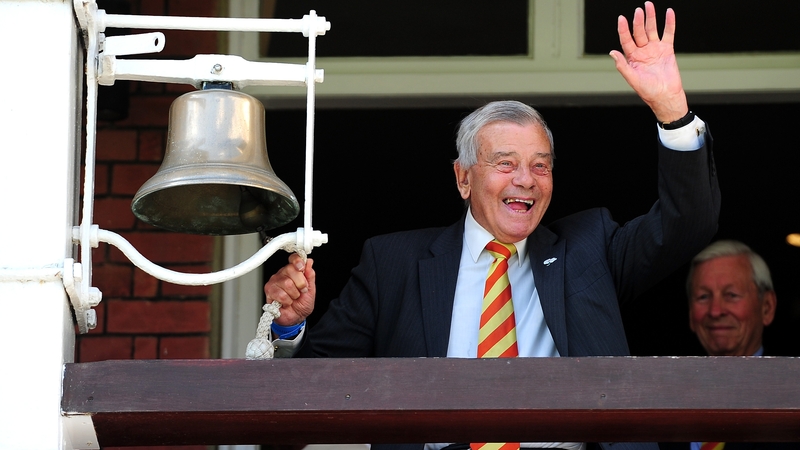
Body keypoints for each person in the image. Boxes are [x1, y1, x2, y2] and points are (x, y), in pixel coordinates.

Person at [265, 2, 720, 450]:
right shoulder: (393, 265)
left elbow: (688, 223)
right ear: (464, 177)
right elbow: (308, 397)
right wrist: (288, 329)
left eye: (540, 167)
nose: (526, 179)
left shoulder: (590, 249)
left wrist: (671, 110)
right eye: (506, 163)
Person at [659, 242, 791, 450]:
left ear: (767, 307)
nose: (715, 311)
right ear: (691, 316)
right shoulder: (663, 402)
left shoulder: (791, 395)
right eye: (703, 297)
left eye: (731, 295)